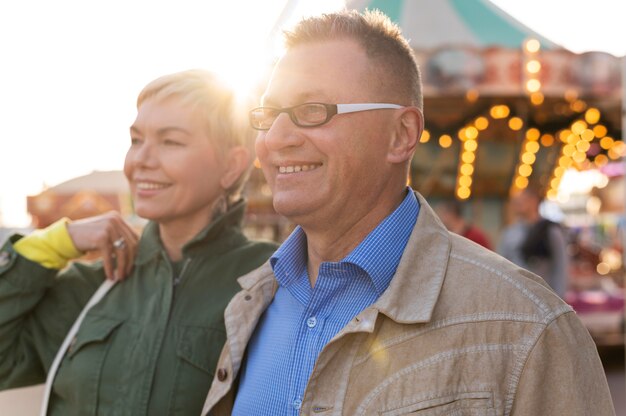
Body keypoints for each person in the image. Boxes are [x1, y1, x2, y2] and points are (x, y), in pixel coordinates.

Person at [202, 10, 614, 416]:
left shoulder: (527, 329)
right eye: (268, 115)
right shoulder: (250, 306)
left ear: (400, 135)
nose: (275, 139)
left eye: (313, 111)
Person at [0, 69, 277, 415]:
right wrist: (57, 241)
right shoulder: (93, 286)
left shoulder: (271, 281)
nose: (141, 160)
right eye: (136, 140)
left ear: (232, 165)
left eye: (170, 141)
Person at [498, 187, 569, 298]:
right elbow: (502, 263)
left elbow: (561, 264)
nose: (518, 204)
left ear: (534, 201)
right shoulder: (509, 232)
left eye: (523, 200)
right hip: (517, 295)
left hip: (545, 294)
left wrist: (559, 296)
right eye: (516, 202)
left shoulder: (549, 230)